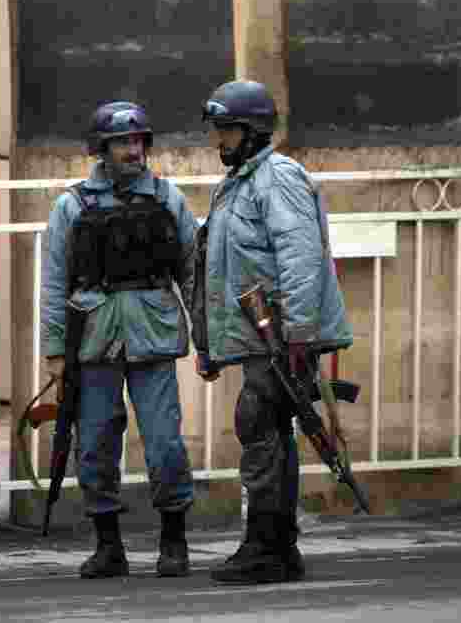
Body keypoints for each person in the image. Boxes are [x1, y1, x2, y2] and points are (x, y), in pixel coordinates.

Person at [191, 79, 354, 585]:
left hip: (282, 337)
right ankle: (277, 547)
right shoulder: (240, 182)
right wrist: (210, 343)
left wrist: (301, 335)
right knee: (266, 431)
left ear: (253, 131)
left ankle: (266, 547)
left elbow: (301, 258)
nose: (219, 141)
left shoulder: (276, 178)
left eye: (227, 130)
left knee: (259, 424)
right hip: (261, 337)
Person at [40, 100, 198, 579]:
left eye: (138, 141)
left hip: (153, 335)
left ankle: (174, 539)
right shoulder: (72, 205)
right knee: (95, 445)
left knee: (165, 443)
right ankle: (108, 544)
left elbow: (192, 272)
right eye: (121, 142)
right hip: (94, 339)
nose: (133, 150)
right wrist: (53, 350)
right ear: (101, 149)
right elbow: (54, 282)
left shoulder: (168, 199)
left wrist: (209, 340)